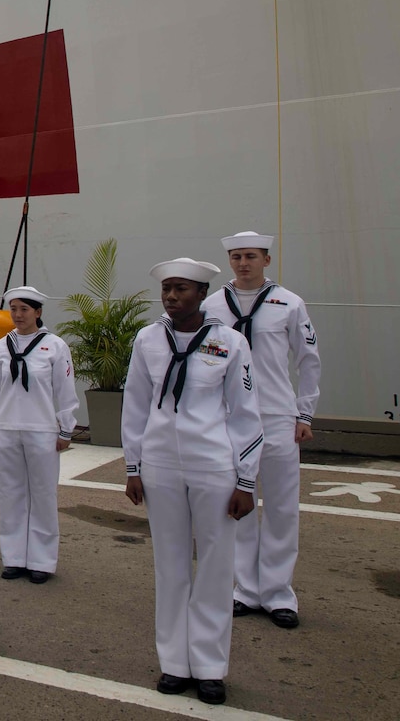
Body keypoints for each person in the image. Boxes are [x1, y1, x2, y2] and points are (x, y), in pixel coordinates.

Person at [124, 258, 262, 707]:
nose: (171, 296)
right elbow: (136, 406)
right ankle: (174, 663)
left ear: (202, 294)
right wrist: (133, 466)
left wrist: (246, 478)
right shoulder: (148, 340)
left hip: (214, 466)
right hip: (161, 465)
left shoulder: (229, 343)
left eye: (181, 289)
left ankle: (209, 667)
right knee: (170, 565)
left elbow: (245, 413)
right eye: (166, 288)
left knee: (217, 567)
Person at [202, 231, 320, 631]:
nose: (242, 263)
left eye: (250, 256)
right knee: (237, 504)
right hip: (228, 416)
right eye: (236, 256)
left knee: (283, 507)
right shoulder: (213, 305)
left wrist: (304, 414)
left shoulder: (289, 304)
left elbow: (309, 360)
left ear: (266, 260)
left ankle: (278, 593)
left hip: (275, 415)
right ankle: (246, 590)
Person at [0, 285, 77, 584]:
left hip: (42, 430)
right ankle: (14, 558)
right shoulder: (0, 347)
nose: (18, 315)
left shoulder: (55, 346)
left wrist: (66, 428)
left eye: (24, 309)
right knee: (10, 494)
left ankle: (42, 561)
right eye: (14, 309)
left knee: (43, 495)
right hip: (8, 429)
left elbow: (65, 391)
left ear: (38, 312)